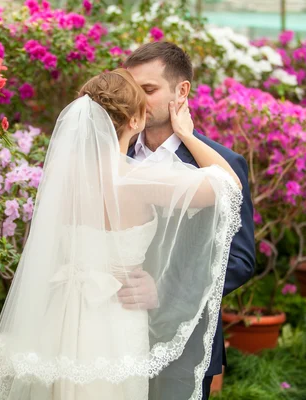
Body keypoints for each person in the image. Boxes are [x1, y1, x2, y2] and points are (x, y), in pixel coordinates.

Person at [0, 68, 243, 400]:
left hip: (58, 313)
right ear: (135, 121)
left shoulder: (62, 181)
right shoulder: (138, 180)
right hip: (116, 316)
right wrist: (188, 134)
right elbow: (229, 185)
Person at [121, 42, 256, 399]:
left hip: (184, 347)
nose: (137, 100)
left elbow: (241, 261)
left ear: (181, 92)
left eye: (148, 90)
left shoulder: (219, 167)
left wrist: (163, 293)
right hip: (111, 335)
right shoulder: (111, 156)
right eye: (132, 89)